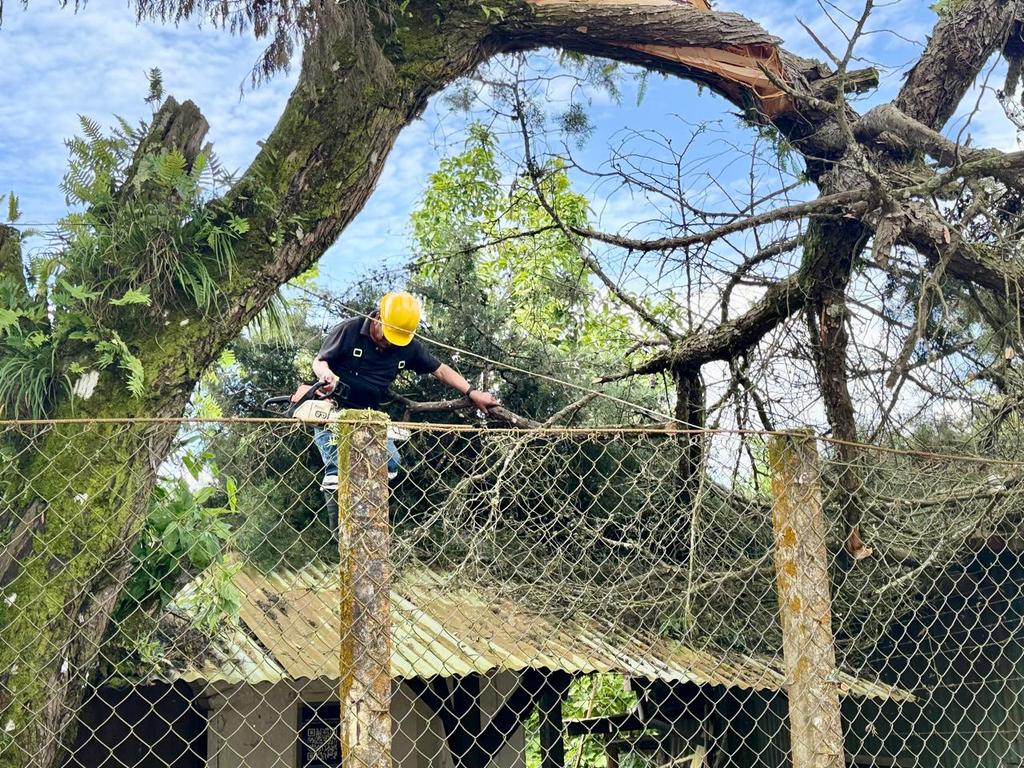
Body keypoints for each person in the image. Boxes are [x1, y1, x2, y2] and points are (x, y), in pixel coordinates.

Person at [311, 291, 499, 514]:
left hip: (370, 414)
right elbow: (320, 360)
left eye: (395, 339)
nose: (389, 342)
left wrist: (472, 391)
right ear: (379, 317)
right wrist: (327, 377)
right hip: (333, 409)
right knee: (336, 472)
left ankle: (366, 516)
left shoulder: (407, 347)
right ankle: (338, 534)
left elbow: (440, 370)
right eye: (387, 335)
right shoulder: (350, 329)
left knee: (389, 463)